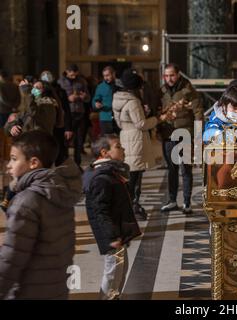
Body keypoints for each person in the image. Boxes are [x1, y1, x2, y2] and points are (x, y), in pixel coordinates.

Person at [0, 130, 82, 299]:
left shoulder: (26, 202)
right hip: (56, 289)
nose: (9, 165)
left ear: (33, 163)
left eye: (14, 159)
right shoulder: (60, 192)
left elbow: (12, 257)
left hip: (28, 291)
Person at [83, 135, 141, 299]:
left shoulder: (110, 172)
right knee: (113, 269)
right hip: (111, 233)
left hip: (116, 230)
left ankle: (115, 295)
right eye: (118, 146)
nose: (123, 149)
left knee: (120, 266)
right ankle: (107, 297)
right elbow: (100, 211)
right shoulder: (101, 178)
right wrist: (111, 235)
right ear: (104, 152)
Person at [113, 69, 160, 221]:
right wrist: (157, 119)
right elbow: (141, 124)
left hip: (125, 136)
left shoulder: (118, 98)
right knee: (135, 176)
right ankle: (133, 206)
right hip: (136, 140)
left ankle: (129, 206)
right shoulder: (133, 101)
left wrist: (142, 112)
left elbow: (123, 120)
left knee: (129, 175)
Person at [158, 64, 203, 214]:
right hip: (168, 134)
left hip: (185, 133)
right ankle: (172, 200)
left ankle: (187, 202)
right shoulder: (162, 90)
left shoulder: (188, 90)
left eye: (171, 75)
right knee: (171, 169)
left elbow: (198, 112)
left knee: (186, 169)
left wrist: (198, 135)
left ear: (178, 74)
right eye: (166, 76)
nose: (169, 78)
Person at [58, 64, 91, 166]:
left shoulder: (81, 81)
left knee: (79, 140)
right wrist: (68, 99)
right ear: (67, 72)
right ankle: (66, 163)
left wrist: (84, 96)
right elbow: (58, 98)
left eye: (75, 75)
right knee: (66, 141)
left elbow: (88, 97)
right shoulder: (60, 82)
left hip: (80, 113)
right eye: (71, 75)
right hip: (67, 114)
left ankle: (77, 164)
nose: (74, 77)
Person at [40, 70, 74, 166]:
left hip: (58, 126)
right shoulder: (39, 92)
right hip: (45, 127)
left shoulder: (60, 92)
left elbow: (66, 111)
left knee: (60, 152)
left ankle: (61, 173)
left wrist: (68, 128)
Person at [93, 67, 117, 135]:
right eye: (104, 76)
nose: (106, 78)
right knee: (106, 141)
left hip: (118, 118)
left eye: (107, 75)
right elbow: (95, 100)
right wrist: (96, 104)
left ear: (113, 74)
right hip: (105, 118)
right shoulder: (100, 87)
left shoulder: (120, 85)